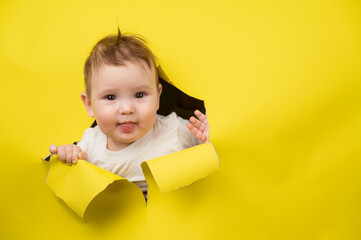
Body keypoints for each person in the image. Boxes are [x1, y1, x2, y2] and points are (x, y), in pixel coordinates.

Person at [49, 30, 209, 195]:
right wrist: (69, 155)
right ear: (89, 105)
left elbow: (216, 150)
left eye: (139, 95)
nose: (127, 109)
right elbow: (75, 180)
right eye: (110, 97)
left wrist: (206, 134)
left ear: (158, 97)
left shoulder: (175, 131)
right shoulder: (88, 145)